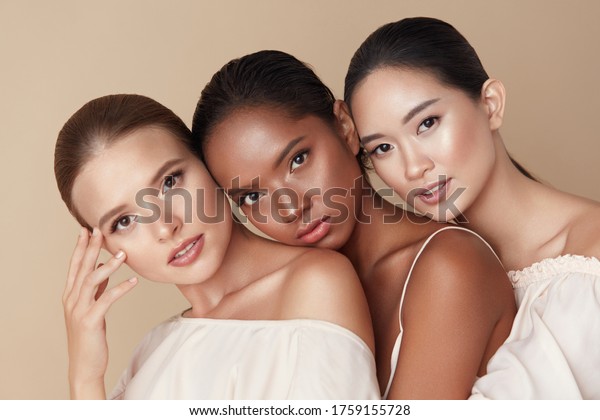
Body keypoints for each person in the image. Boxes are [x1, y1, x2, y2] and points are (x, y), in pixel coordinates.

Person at [192, 50, 516, 399]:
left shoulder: (450, 264)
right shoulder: (285, 303)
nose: (290, 207)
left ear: (344, 126)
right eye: (251, 197)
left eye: (297, 160)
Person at [54, 94, 380, 400]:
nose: (166, 226)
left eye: (170, 182)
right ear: (105, 246)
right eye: (124, 222)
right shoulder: (151, 354)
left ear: (207, 165)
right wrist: (84, 377)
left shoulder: (313, 283)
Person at [343, 17, 600, 399]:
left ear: (491, 104)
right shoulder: (418, 273)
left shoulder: (588, 269)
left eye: (427, 123)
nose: (413, 167)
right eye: (383, 148)